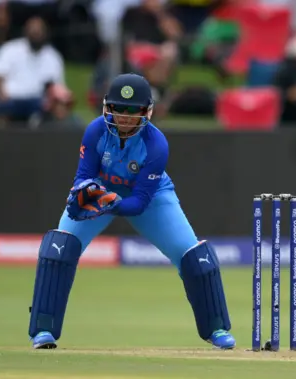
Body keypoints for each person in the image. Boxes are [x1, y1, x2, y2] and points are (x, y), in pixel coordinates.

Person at [27, 73, 236, 350]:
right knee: (58, 247)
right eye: (118, 109)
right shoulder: (95, 131)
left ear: (146, 111)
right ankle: (43, 330)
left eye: (132, 110)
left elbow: (138, 204)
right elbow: (83, 177)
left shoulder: (156, 144)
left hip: (150, 198)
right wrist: (83, 194)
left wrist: (105, 201)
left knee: (195, 257)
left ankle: (216, 329)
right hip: (101, 192)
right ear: (107, 108)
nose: (124, 117)